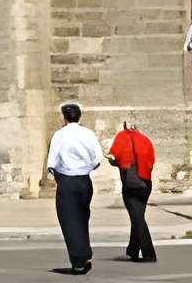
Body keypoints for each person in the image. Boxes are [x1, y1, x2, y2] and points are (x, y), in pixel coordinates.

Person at [46, 100, 107, 273]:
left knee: (69, 220)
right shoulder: (88, 133)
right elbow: (97, 157)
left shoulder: (59, 135)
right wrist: (87, 168)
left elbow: (52, 161)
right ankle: (85, 251)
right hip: (84, 180)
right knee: (82, 216)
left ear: (64, 117)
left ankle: (78, 260)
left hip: (66, 180)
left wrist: (59, 176)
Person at [107, 118, 157, 262]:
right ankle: (133, 250)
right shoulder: (145, 140)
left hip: (131, 185)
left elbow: (116, 159)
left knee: (137, 219)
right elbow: (151, 160)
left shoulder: (122, 138)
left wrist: (111, 159)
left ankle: (149, 253)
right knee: (138, 216)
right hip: (146, 184)